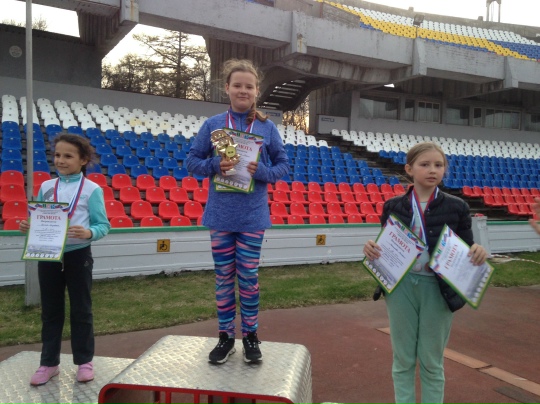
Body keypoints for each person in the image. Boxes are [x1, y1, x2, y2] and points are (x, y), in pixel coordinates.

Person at [363, 142, 488, 404]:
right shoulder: (393, 205)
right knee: (403, 358)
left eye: (438, 165)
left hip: (438, 290)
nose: (433, 170)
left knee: (432, 361)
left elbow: (467, 246)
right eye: (425, 164)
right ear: (409, 169)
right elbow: (385, 244)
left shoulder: (457, 206)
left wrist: (477, 250)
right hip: (401, 288)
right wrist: (372, 248)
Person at [186, 58, 289, 364]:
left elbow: (283, 165)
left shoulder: (267, 127)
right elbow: (192, 162)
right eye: (237, 85)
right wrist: (215, 165)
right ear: (227, 88)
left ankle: (251, 336)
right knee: (223, 279)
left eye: (249, 86)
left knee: (248, 279)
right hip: (220, 216)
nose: (243, 90)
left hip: (252, 217)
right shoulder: (213, 124)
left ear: (257, 91)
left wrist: (263, 172)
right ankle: (226, 337)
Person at [20, 134, 110, 386]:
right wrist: (28, 225)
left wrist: (89, 232)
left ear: (83, 160)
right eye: (57, 155)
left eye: (68, 156)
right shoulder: (46, 186)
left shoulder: (92, 190)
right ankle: (49, 363)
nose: (60, 160)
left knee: (81, 309)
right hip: (48, 255)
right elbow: (39, 218)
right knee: (50, 311)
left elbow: (103, 225)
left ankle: (84, 361)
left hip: (78, 255)